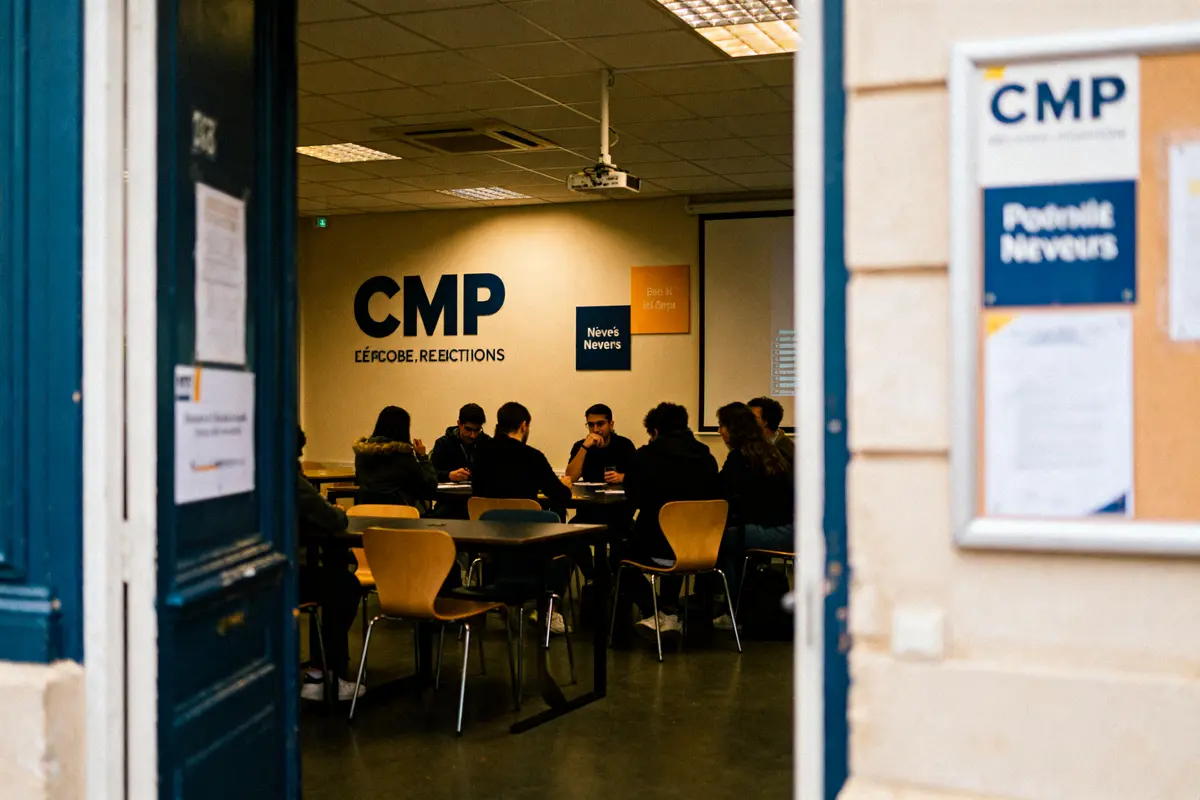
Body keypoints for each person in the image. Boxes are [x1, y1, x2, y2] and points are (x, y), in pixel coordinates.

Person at [470, 402, 574, 634]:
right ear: (524, 425)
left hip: (488, 540)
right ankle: (549, 608)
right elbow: (560, 496)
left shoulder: (481, 454)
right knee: (570, 545)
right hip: (526, 542)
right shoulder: (532, 457)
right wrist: (564, 485)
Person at [618, 402, 720, 635]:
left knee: (618, 556)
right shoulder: (707, 458)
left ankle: (657, 611)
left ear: (654, 431)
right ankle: (669, 609)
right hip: (702, 547)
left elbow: (633, 498)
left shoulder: (645, 457)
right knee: (673, 536)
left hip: (657, 547)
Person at [296, 427, 366, 702]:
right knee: (345, 586)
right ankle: (324, 673)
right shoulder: (289, 479)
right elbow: (333, 520)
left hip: (257, 576)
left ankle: (318, 671)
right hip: (291, 576)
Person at [713, 402, 794, 630]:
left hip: (775, 531)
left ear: (734, 428)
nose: (719, 431)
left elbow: (721, 493)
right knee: (732, 538)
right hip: (789, 529)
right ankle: (737, 606)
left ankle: (733, 609)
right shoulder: (769, 451)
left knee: (720, 540)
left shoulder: (740, 459)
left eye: (722, 426)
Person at [353, 405, 437, 514]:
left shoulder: (362, 453)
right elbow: (429, 486)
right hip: (400, 515)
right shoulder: (402, 455)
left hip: (365, 514)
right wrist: (423, 457)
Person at [430, 403, 490, 519]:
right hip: (450, 503)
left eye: (477, 430)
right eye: (468, 429)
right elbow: (431, 474)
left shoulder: (487, 444)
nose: (472, 435)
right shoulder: (443, 444)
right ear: (459, 424)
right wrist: (449, 475)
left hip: (480, 503)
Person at [564, 403, 638, 484]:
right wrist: (584, 448)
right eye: (591, 425)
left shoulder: (624, 444)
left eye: (600, 424)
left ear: (611, 425)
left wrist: (623, 477)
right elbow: (570, 478)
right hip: (589, 494)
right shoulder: (580, 445)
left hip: (618, 494)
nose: (595, 429)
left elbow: (639, 475)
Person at [748, 396, 794, 464]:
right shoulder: (753, 442)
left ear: (766, 422)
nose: (746, 421)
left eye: (753, 417)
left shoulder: (784, 452)